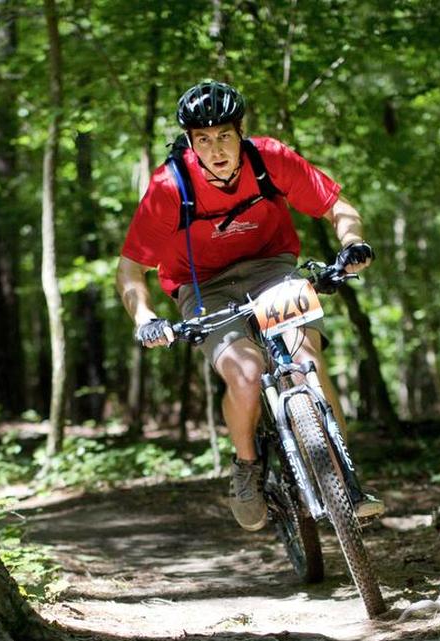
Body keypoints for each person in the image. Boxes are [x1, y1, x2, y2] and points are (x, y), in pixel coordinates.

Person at [116, 80, 384, 531]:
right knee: (243, 371)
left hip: (272, 269)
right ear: (190, 142)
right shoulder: (169, 186)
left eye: (224, 135)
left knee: (305, 357)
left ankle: (344, 480)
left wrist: (353, 245)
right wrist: (145, 319)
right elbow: (129, 270)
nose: (216, 149)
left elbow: (340, 209)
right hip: (203, 286)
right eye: (203, 139)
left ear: (241, 132)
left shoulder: (271, 159)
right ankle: (246, 467)